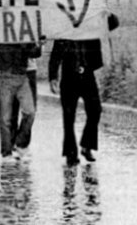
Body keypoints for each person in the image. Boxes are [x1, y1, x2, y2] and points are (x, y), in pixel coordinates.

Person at [49, 13, 119, 166]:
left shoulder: (92, 23)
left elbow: (113, 23)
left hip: (87, 74)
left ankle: (87, 146)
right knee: (68, 117)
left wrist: (106, 13)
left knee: (95, 110)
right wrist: (53, 77)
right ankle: (70, 153)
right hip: (69, 77)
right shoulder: (64, 28)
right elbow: (56, 53)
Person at [0, 40, 42, 160]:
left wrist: (39, 44)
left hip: (21, 76)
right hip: (5, 75)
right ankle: (6, 152)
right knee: (5, 118)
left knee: (30, 112)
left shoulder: (25, 38)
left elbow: (34, 53)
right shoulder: (5, 36)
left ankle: (20, 143)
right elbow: (0, 48)